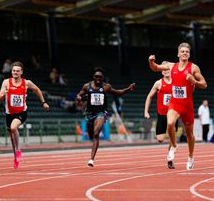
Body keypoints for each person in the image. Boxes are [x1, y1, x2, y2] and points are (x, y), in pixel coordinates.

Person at [149, 42, 207, 170]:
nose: (185, 53)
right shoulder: (171, 66)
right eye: (183, 51)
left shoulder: (193, 68)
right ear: (178, 54)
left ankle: (191, 156)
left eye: (187, 51)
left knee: (189, 134)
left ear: (189, 54)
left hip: (187, 106)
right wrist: (151, 61)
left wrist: (194, 81)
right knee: (170, 123)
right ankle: (174, 146)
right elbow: (155, 68)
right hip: (175, 103)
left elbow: (204, 84)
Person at [76, 67, 135, 167]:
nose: (98, 78)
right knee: (91, 135)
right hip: (89, 114)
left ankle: (91, 159)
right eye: (96, 77)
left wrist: (128, 89)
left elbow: (117, 92)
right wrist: (79, 97)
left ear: (103, 78)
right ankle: (93, 144)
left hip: (101, 113)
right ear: (93, 77)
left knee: (96, 133)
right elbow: (79, 95)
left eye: (100, 77)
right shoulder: (87, 86)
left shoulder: (106, 87)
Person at [0, 61, 50, 169]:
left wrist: (43, 102)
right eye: (13, 71)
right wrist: (4, 93)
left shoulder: (27, 83)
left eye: (17, 71)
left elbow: (37, 89)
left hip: (21, 112)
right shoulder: (6, 82)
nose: (15, 72)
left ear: (21, 72)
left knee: (13, 128)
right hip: (9, 113)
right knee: (12, 138)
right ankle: (16, 156)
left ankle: (18, 150)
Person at [144, 61, 174, 143]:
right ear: (161, 71)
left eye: (167, 69)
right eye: (164, 69)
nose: (166, 71)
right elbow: (149, 97)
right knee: (160, 139)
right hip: (162, 114)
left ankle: (171, 153)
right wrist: (146, 112)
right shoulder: (158, 83)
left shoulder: (176, 82)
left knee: (173, 136)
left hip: (173, 113)